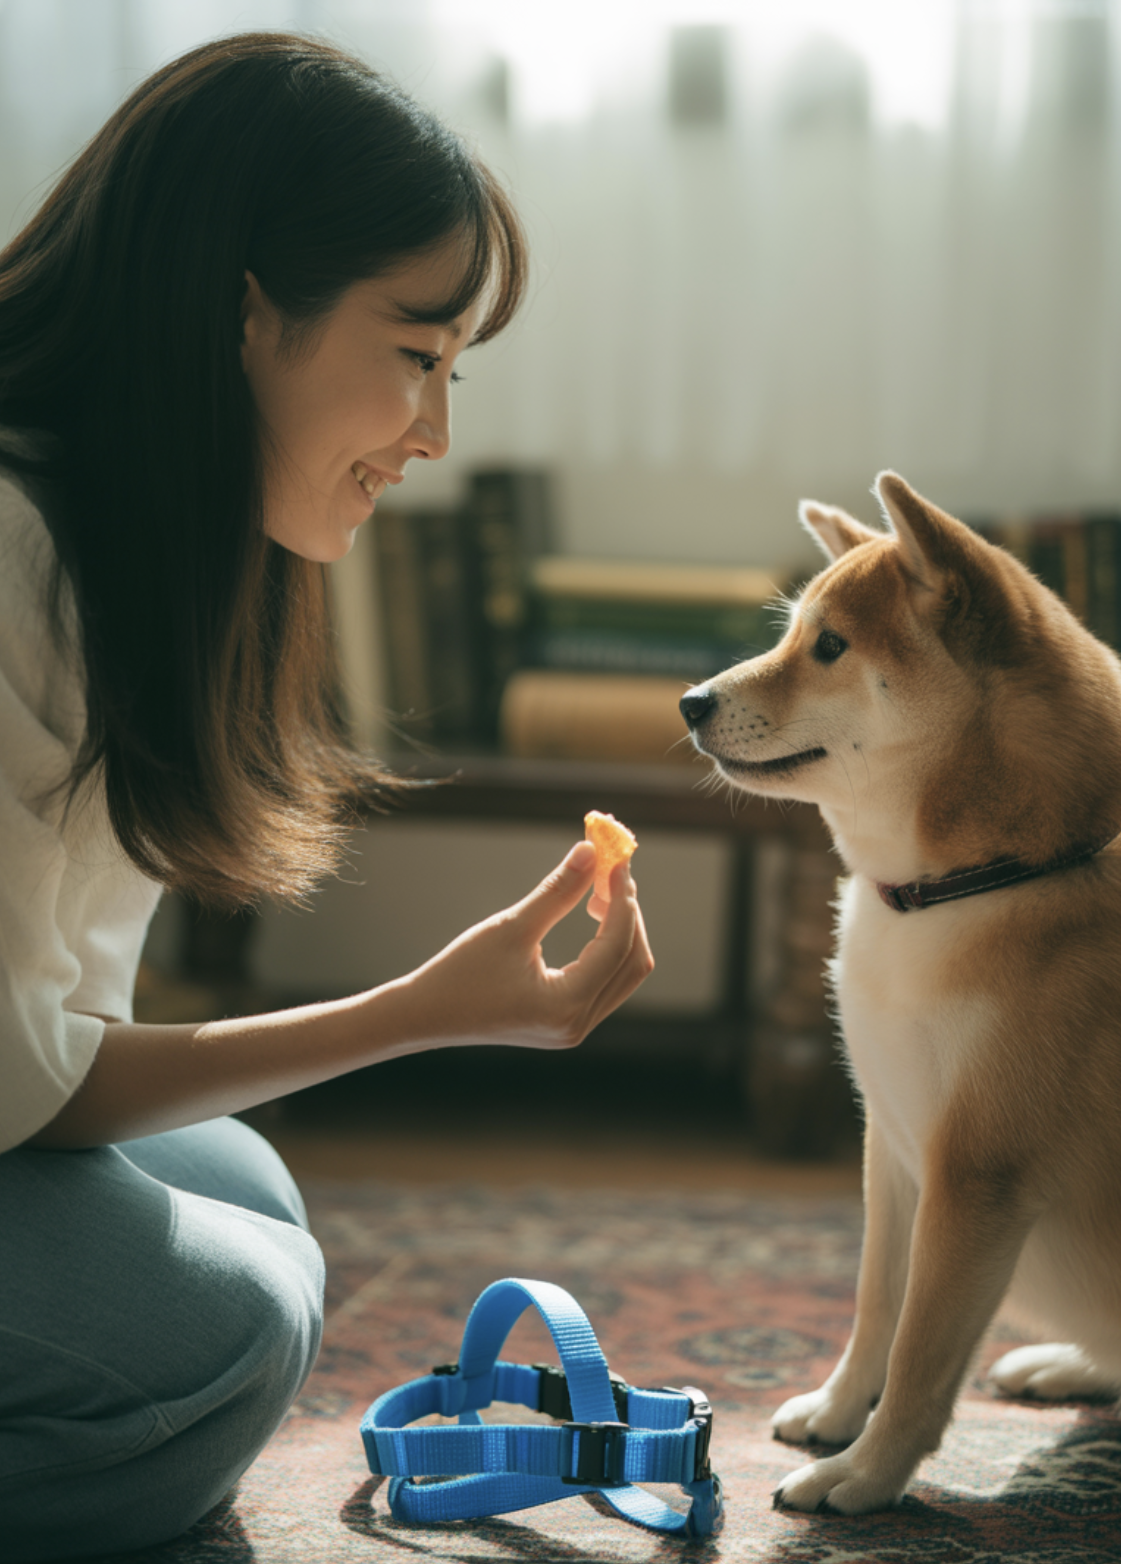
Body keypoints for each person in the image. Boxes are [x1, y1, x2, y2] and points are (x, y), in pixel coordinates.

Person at [0, 32, 653, 1561]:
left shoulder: (121, 542)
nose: (433, 437)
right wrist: (419, 1009)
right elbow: (18, 1080)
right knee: (225, 1333)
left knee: (248, 1197)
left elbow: (49, 1040)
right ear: (243, 319)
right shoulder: (11, 554)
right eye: (416, 356)